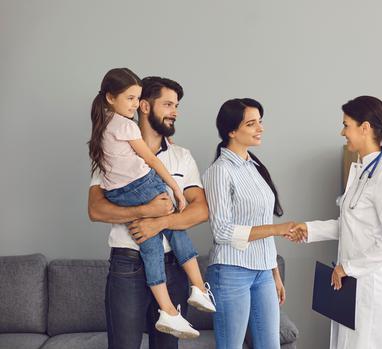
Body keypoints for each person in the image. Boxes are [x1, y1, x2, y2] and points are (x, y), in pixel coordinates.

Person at [88, 75, 210, 348]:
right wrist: (145, 210)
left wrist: (158, 222)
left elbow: (201, 210)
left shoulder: (182, 156)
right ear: (144, 106)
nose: (175, 112)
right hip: (126, 265)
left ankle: (195, 290)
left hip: (173, 267)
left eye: (176, 106)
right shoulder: (110, 150)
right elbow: (95, 210)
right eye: (168, 105)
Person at [289, 96, 382, 349]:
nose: (342, 131)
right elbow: (350, 224)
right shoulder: (362, 169)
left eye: (346, 125)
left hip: (374, 283)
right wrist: (309, 229)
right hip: (354, 281)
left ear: (365, 128)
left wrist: (349, 267)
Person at [202, 98, 293, 349]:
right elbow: (221, 231)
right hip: (231, 272)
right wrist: (277, 229)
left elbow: (262, 220)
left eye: (260, 122)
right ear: (232, 131)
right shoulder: (219, 171)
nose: (260, 128)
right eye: (251, 124)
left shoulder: (255, 168)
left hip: (263, 272)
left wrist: (274, 272)